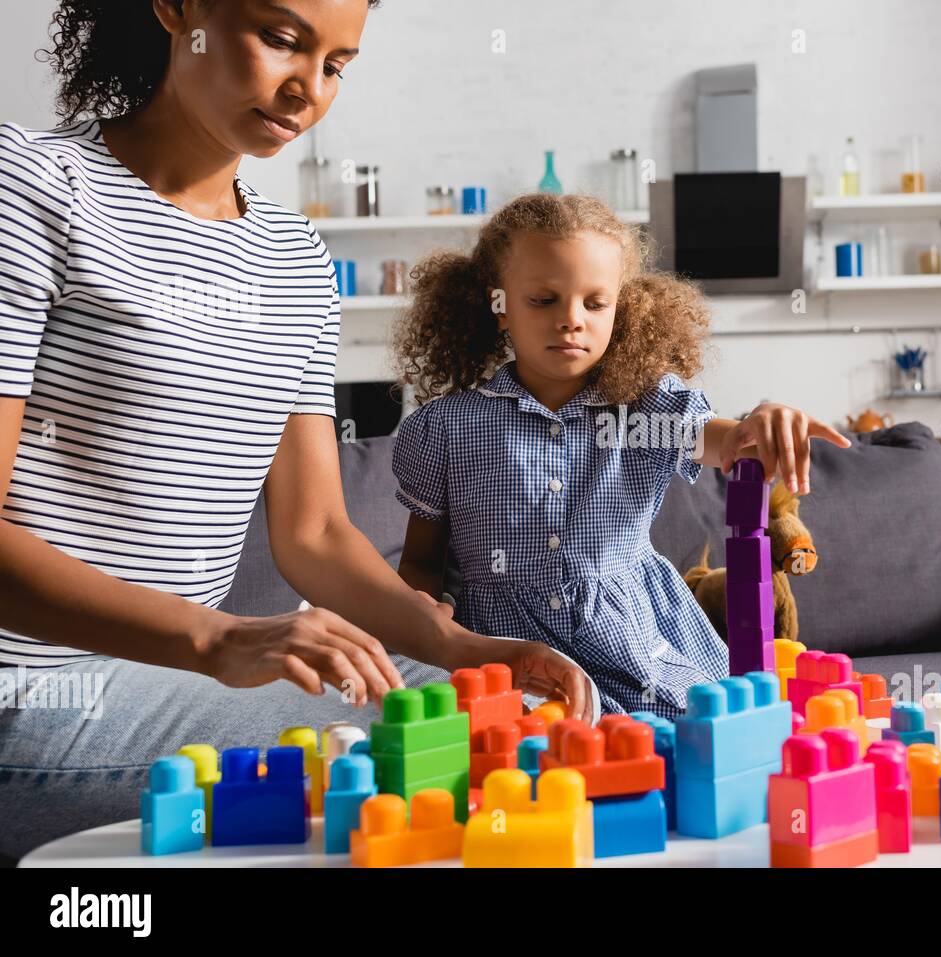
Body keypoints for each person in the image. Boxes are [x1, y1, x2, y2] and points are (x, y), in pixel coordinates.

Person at [0, 0, 589, 863]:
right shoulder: (34, 189)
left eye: (337, 64)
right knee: (463, 758)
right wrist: (220, 636)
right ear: (178, 9)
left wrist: (456, 643)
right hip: (37, 697)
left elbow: (313, 534)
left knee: (518, 718)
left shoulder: (295, 260)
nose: (306, 89)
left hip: (186, 681)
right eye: (280, 38)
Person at [391, 193, 852, 717]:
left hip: (635, 639)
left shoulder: (647, 408)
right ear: (496, 306)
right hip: (507, 652)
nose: (571, 320)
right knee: (528, 765)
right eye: (543, 299)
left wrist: (763, 418)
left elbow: (725, 440)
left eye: (595, 302)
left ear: (620, 309)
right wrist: (424, 650)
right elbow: (421, 563)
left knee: (689, 745)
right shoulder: (446, 427)